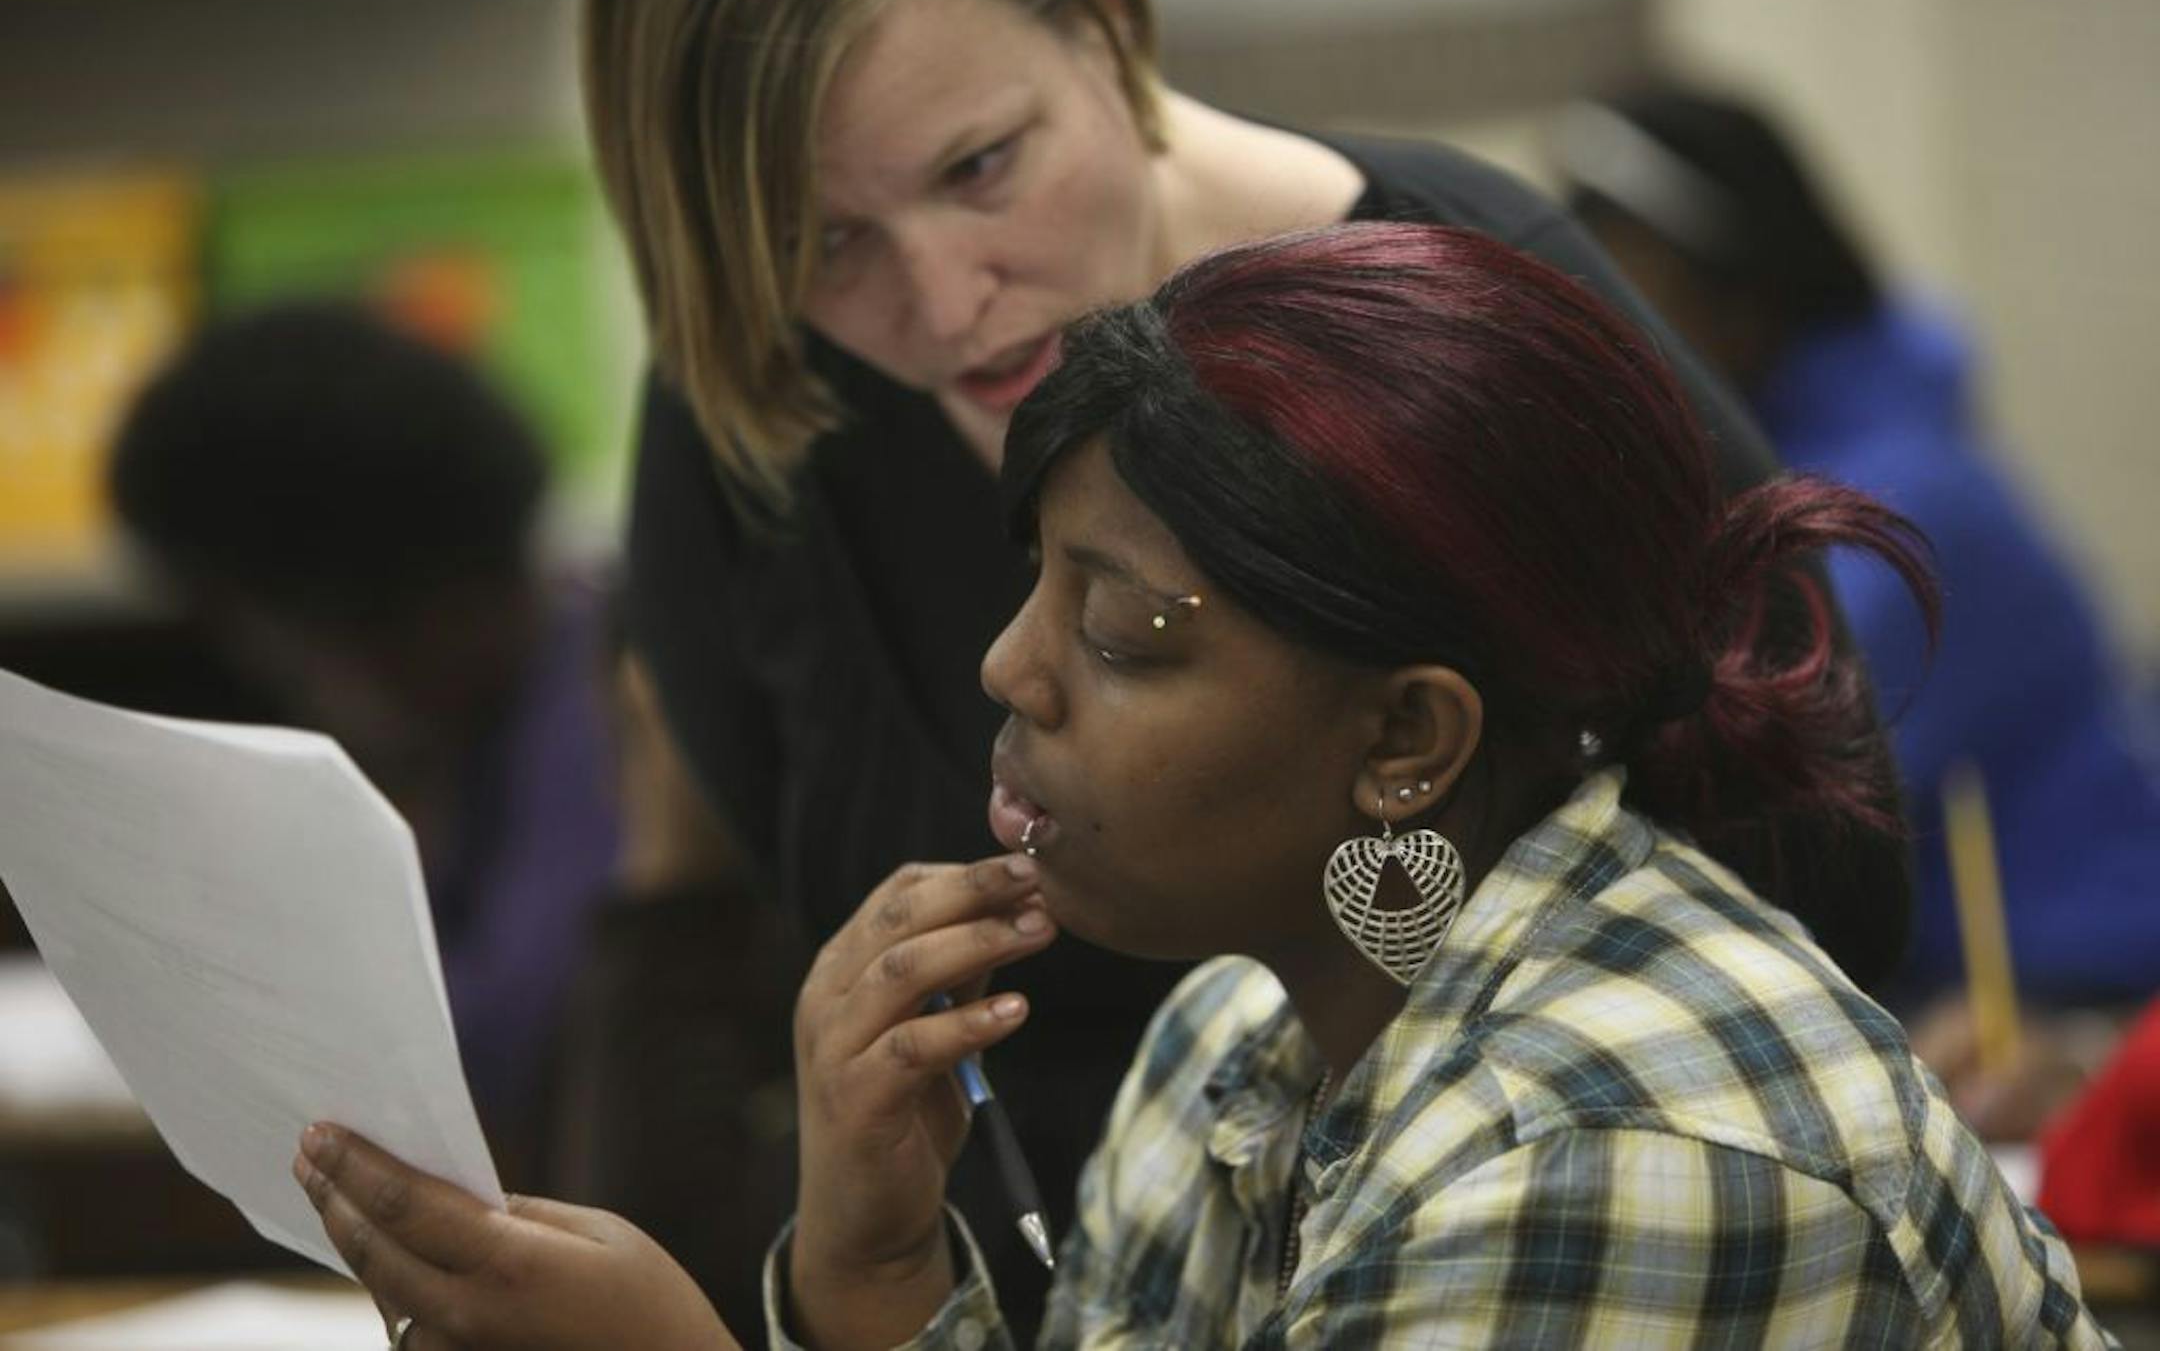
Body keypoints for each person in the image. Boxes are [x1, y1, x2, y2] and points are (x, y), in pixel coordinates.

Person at [293, 224, 2115, 1348]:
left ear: (1408, 738)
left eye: (1126, 627)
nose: (1009, 668)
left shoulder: (1621, 1154)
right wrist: (873, 1261)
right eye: (1037, 583)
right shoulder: (1245, 1029)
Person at [578, 0, 1913, 1320]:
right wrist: (874, 1275)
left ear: (1101, 13)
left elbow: (1818, 865)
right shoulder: (1214, 1063)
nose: (938, 300)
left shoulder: (1590, 1142)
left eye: (979, 168)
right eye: (820, 242)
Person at [1554, 84, 2160, 1136]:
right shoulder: (1773, 469)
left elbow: (1755, 801)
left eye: (1628, 292)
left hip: (2064, 993)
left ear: (1740, 304)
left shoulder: (1895, 503)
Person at [107, 303, 622, 1172]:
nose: (274, 672)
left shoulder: (599, 722)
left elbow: (491, 1049)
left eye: (257, 623)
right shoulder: (508, 709)